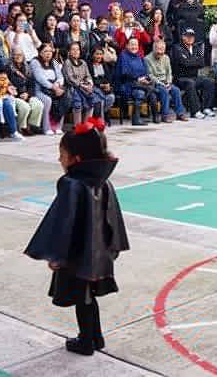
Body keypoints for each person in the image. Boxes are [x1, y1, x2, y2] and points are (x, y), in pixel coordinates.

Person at [24, 118, 129, 356]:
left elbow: (63, 223)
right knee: (89, 295)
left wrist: (56, 256)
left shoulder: (71, 184)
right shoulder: (103, 181)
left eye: (62, 154)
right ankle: (96, 336)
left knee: (83, 298)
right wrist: (112, 248)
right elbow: (113, 218)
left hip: (79, 254)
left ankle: (86, 341)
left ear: (76, 159)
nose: (59, 159)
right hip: (100, 251)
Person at [171, 29, 216, 120]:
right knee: (190, 83)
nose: (190, 38)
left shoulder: (197, 47)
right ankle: (195, 111)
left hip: (194, 76)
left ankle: (206, 108)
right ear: (183, 37)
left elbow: (202, 62)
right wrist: (194, 61)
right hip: (180, 78)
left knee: (209, 81)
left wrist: (190, 62)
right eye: (187, 36)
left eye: (192, 36)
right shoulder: (177, 48)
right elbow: (183, 63)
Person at [117, 37, 158, 126]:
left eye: (136, 44)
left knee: (152, 95)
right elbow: (124, 73)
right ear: (127, 45)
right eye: (132, 44)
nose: (134, 46)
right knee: (140, 93)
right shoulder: (123, 56)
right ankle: (135, 119)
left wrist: (145, 79)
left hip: (141, 84)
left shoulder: (139, 56)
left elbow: (145, 72)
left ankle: (155, 117)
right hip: (127, 84)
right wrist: (137, 79)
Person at [4, 49, 45, 136]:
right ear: (12, 56)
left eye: (20, 55)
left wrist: (27, 94)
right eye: (16, 55)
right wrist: (18, 94)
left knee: (38, 105)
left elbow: (32, 85)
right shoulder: (8, 68)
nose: (18, 57)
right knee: (25, 107)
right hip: (14, 96)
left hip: (26, 94)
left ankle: (30, 126)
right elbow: (6, 84)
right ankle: (20, 127)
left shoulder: (27, 67)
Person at [31, 43, 66, 135]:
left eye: (50, 51)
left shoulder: (54, 61)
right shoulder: (35, 61)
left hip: (55, 88)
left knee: (64, 97)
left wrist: (58, 84)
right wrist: (53, 87)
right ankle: (47, 127)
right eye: (45, 51)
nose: (48, 53)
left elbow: (61, 76)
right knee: (48, 100)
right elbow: (39, 78)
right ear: (40, 52)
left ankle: (58, 126)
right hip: (40, 90)